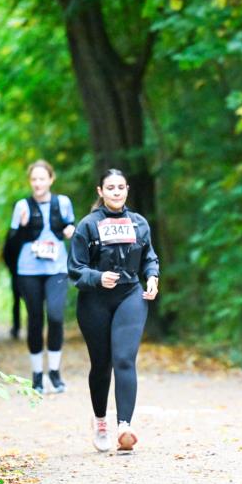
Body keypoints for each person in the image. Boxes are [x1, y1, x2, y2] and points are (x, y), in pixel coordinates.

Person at [68, 169, 159, 453]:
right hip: (95, 300)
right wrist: (97, 277)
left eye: (121, 187)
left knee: (124, 359)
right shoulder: (88, 225)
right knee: (102, 364)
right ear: (100, 191)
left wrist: (153, 276)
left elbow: (149, 257)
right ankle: (100, 422)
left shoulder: (139, 223)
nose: (116, 192)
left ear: (127, 190)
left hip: (130, 295)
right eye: (111, 187)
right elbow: (75, 269)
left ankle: (125, 426)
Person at [8, 160, 75, 393]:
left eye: (42, 178)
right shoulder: (21, 206)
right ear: (30, 181)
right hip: (29, 270)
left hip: (56, 268)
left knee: (55, 316)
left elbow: (70, 227)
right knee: (35, 319)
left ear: (51, 179)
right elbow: (12, 242)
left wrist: (70, 230)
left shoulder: (63, 203)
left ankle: (54, 372)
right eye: (34, 179)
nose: (38, 183)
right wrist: (24, 227)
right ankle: (37, 374)